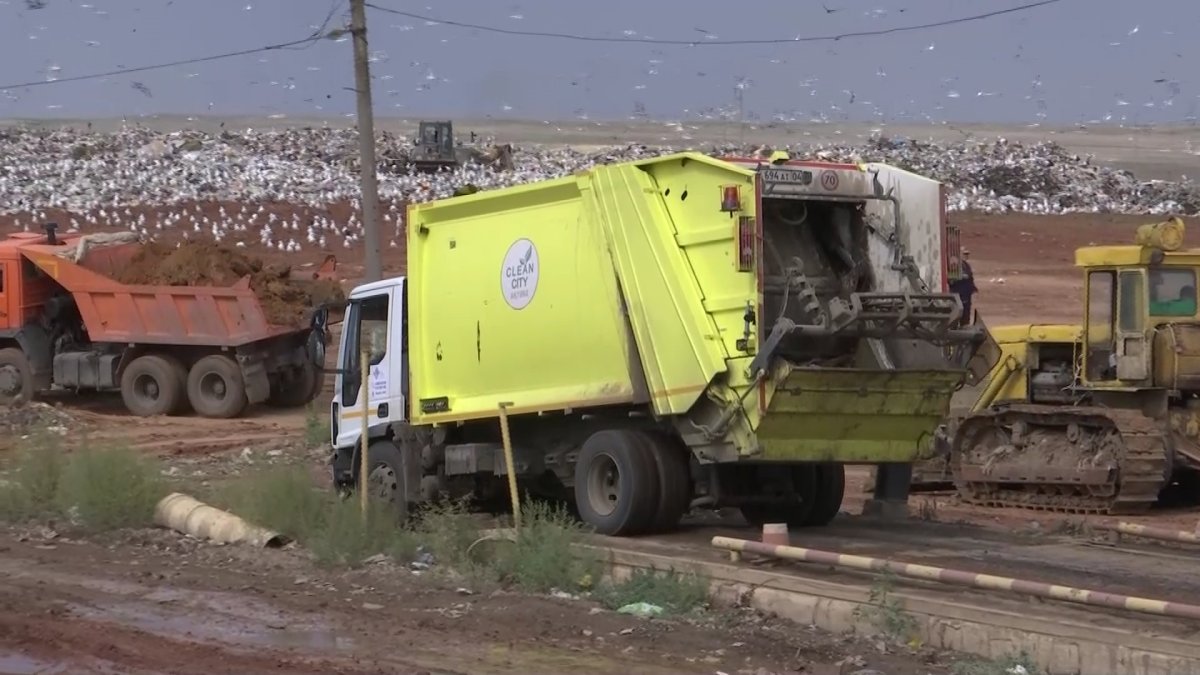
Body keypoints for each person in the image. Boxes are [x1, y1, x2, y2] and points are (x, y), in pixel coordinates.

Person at [949, 249, 977, 326]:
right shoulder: (953, 265)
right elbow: (950, 280)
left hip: (966, 295)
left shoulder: (966, 265)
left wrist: (973, 288)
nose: (966, 256)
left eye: (967, 254)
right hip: (958, 294)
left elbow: (970, 278)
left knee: (965, 315)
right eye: (964, 254)